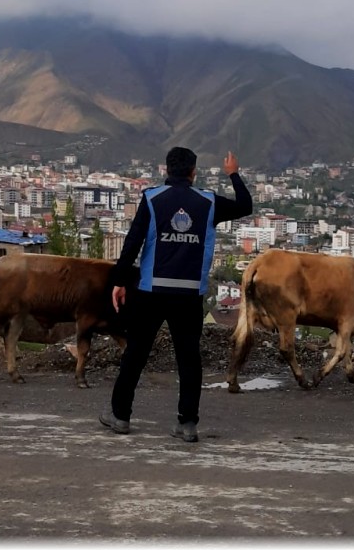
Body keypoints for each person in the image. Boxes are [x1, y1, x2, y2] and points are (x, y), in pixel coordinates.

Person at [100, 147, 252, 442]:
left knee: (136, 353)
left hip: (151, 291)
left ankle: (120, 416)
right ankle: (188, 423)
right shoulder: (208, 202)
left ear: (166, 170)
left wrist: (118, 281)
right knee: (189, 359)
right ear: (193, 172)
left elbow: (132, 242)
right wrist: (233, 173)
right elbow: (245, 206)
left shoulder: (152, 198)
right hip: (189, 293)